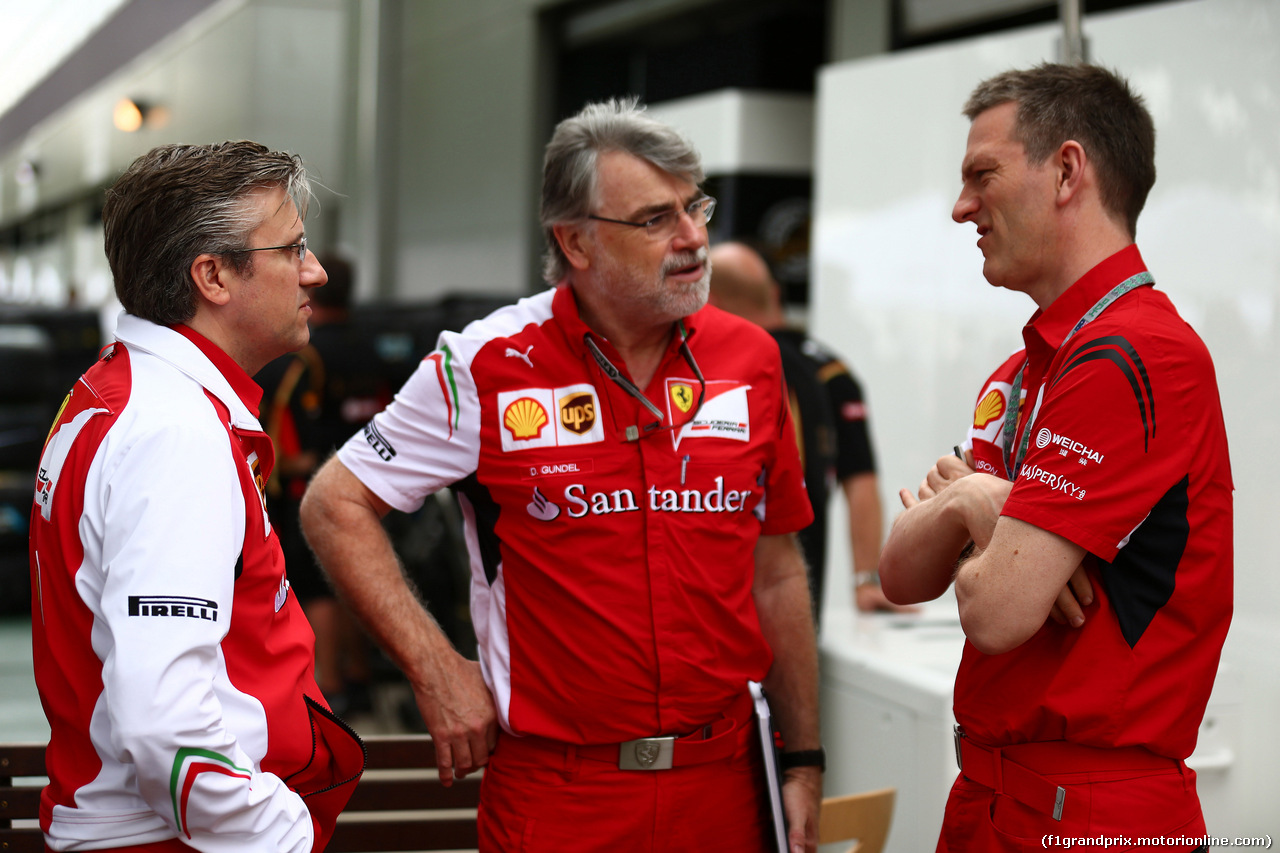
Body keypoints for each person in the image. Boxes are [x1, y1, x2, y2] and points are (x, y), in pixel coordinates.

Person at [300, 98, 822, 852]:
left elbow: (775, 573)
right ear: (575, 242)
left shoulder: (754, 357)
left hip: (725, 782)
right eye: (654, 219)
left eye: (695, 206)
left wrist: (803, 758)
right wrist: (437, 666)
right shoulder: (484, 361)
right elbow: (334, 502)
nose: (693, 238)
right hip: (560, 792)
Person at [878, 64, 1232, 851]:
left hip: (1093, 812)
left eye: (982, 175)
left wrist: (974, 502)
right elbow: (900, 572)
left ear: (1067, 170)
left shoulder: (1135, 352)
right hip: (997, 798)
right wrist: (976, 502)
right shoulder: (1027, 369)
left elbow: (995, 610)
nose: (961, 206)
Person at [28, 141, 365, 852]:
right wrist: (282, 837)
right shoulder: (173, 433)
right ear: (211, 274)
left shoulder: (119, 393)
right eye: (293, 248)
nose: (317, 271)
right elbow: (165, 725)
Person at [708, 241, 914, 618]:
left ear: (712, 301)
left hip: (728, 600)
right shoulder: (831, 369)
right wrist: (865, 581)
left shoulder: (716, 368)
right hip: (802, 598)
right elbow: (862, 482)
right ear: (774, 293)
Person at [259, 253, 386, 715]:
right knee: (360, 578)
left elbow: (281, 433)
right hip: (377, 485)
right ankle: (360, 676)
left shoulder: (300, 356)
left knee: (317, 589)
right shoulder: (376, 350)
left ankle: (327, 689)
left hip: (313, 490)